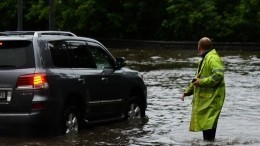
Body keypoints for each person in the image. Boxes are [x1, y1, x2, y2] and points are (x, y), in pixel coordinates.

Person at [180, 37, 225, 141]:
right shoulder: (204, 60)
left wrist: (201, 82)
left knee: (209, 128)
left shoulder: (213, 58)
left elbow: (218, 75)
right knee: (206, 129)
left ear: (199, 47)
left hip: (213, 99)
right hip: (207, 100)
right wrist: (186, 92)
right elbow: (196, 79)